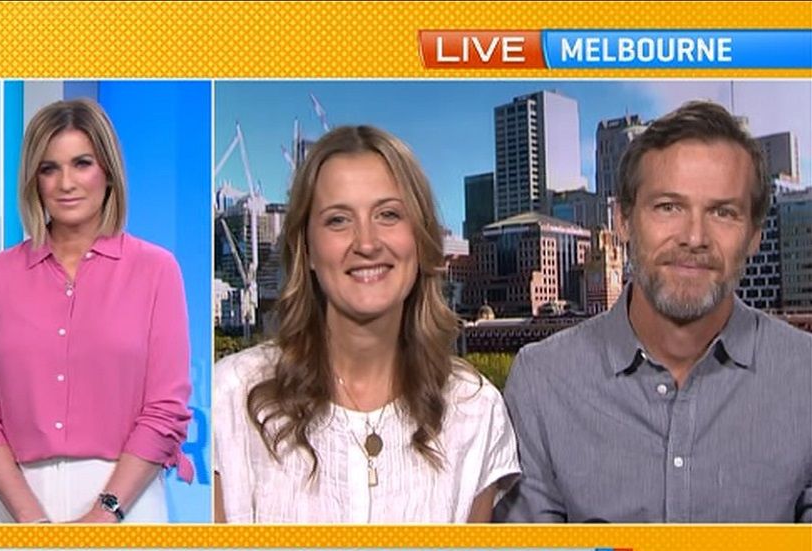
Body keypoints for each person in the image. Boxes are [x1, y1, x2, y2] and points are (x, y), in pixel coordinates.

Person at [496, 101, 812, 523]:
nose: (694, 237)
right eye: (668, 207)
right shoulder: (543, 380)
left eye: (723, 212)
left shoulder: (804, 375)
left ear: (754, 235)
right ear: (623, 221)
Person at [213, 125, 519, 524]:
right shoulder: (230, 398)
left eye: (388, 215)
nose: (367, 243)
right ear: (307, 249)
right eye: (338, 220)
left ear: (420, 238)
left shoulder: (475, 409)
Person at [0, 98, 193, 524]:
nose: (66, 183)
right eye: (49, 168)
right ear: (34, 180)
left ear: (108, 171)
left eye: (82, 164)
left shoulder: (156, 270)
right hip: (15, 505)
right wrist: (31, 519)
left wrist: (104, 515)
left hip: (126, 505)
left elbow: (165, 409)